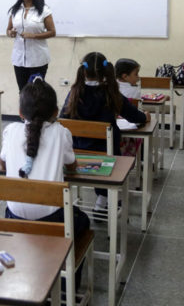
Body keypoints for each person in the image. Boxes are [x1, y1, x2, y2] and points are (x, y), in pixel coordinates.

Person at [0, 76, 88, 290]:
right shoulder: (61, 132)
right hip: (53, 221)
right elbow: (72, 166)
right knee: (83, 221)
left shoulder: (10, 131)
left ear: (20, 113)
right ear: (56, 112)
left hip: (13, 218)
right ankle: (67, 290)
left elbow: (3, 164)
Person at [61, 52, 150, 211]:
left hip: (77, 154)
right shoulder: (110, 93)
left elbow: (63, 120)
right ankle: (104, 199)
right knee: (115, 153)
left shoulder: (74, 92)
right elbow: (135, 117)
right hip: (106, 156)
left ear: (84, 71)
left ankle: (102, 200)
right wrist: (146, 117)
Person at [6, 0, 56, 91]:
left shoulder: (44, 10)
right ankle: (24, 109)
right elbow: (8, 30)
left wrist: (34, 36)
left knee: (37, 92)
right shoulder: (15, 10)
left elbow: (52, 32)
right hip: (19, 60)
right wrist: (11, 33)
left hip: (38, 59)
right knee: (23, 92)